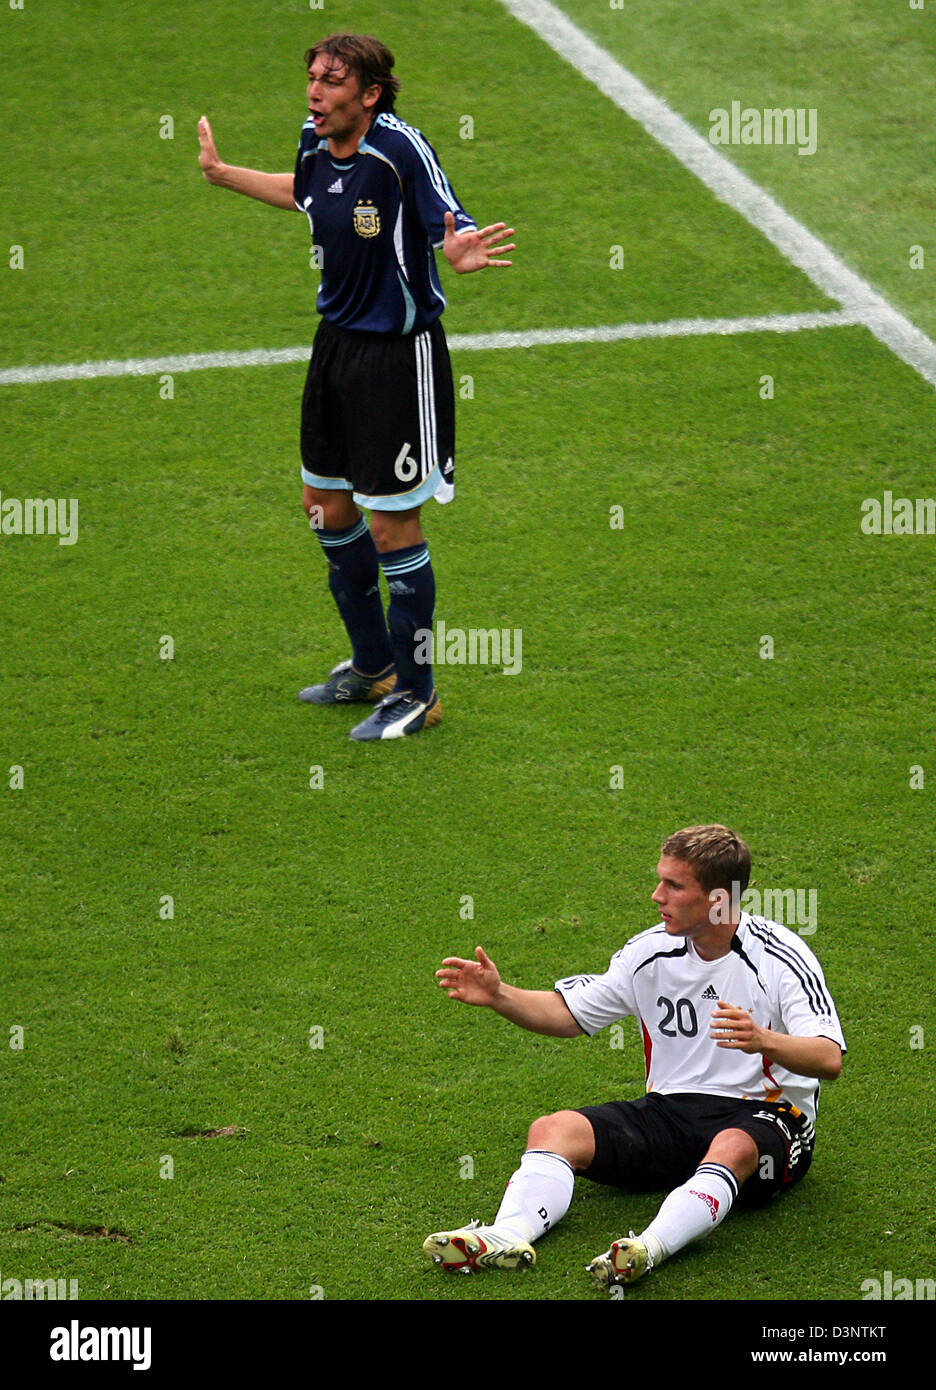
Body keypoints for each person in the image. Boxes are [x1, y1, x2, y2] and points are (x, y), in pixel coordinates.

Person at [198, 33, 514, 740]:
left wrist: (457, 244)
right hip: (334, 347)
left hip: (399, 360)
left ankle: (419, 692)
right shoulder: (313, 140)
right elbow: (307, 194)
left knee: (392, 520)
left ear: (369, 94)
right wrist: (224, 174)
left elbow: (448, 217)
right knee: (325, 507)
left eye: (332, 81)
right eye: (312, 77)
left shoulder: (399, 148)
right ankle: (374, 667)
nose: (315, 91)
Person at [424, 824, 845, 1288]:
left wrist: (765, 1041)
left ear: (719, 899)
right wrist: (500, 994)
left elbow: (828, 1058)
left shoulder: (779, 958)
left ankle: (646, 1249)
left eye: (674, 885)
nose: (655, 895)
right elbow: (569, 1014)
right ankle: (507, 1235)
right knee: (553, 1129)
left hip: (767, 1118)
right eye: (660, 879)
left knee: (733, 1147)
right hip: (671, 1113)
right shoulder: (650, 952)